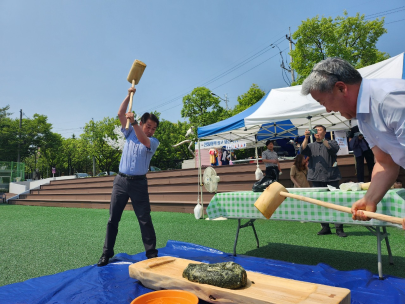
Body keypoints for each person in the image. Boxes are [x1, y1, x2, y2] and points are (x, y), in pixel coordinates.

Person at [301, 57, 405, 228]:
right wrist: (369, 198)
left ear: (341, 88)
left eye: (323, 102)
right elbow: (385, 161)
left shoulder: (390, 99)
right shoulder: (362, 118)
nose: (327, 110)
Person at [97, 87, 160, 267]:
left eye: (153, 128)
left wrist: (134, 124)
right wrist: (129, 95)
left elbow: (144, 141)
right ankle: (106, 253)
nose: (150, 130)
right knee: (113, 219)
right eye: (148, 126)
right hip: (121, 181)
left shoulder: (153, 141)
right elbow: (120, 113)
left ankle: (152, 255)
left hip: (139, 183)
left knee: (144, 219)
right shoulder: (129, 131)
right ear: (142, 123)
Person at [300, 125, 347, 237]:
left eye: (320, 130)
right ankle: (325, 227)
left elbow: (333, 149)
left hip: (332, 176)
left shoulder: (332, 142)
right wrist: (306, 138)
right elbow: (302, 150)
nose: (318, 132)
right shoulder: (311, 145)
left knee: (335, 202)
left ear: (325, 132)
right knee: (319, 203)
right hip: (315, 177)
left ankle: (339, 229)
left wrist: (323, 139)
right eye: (315, 130)